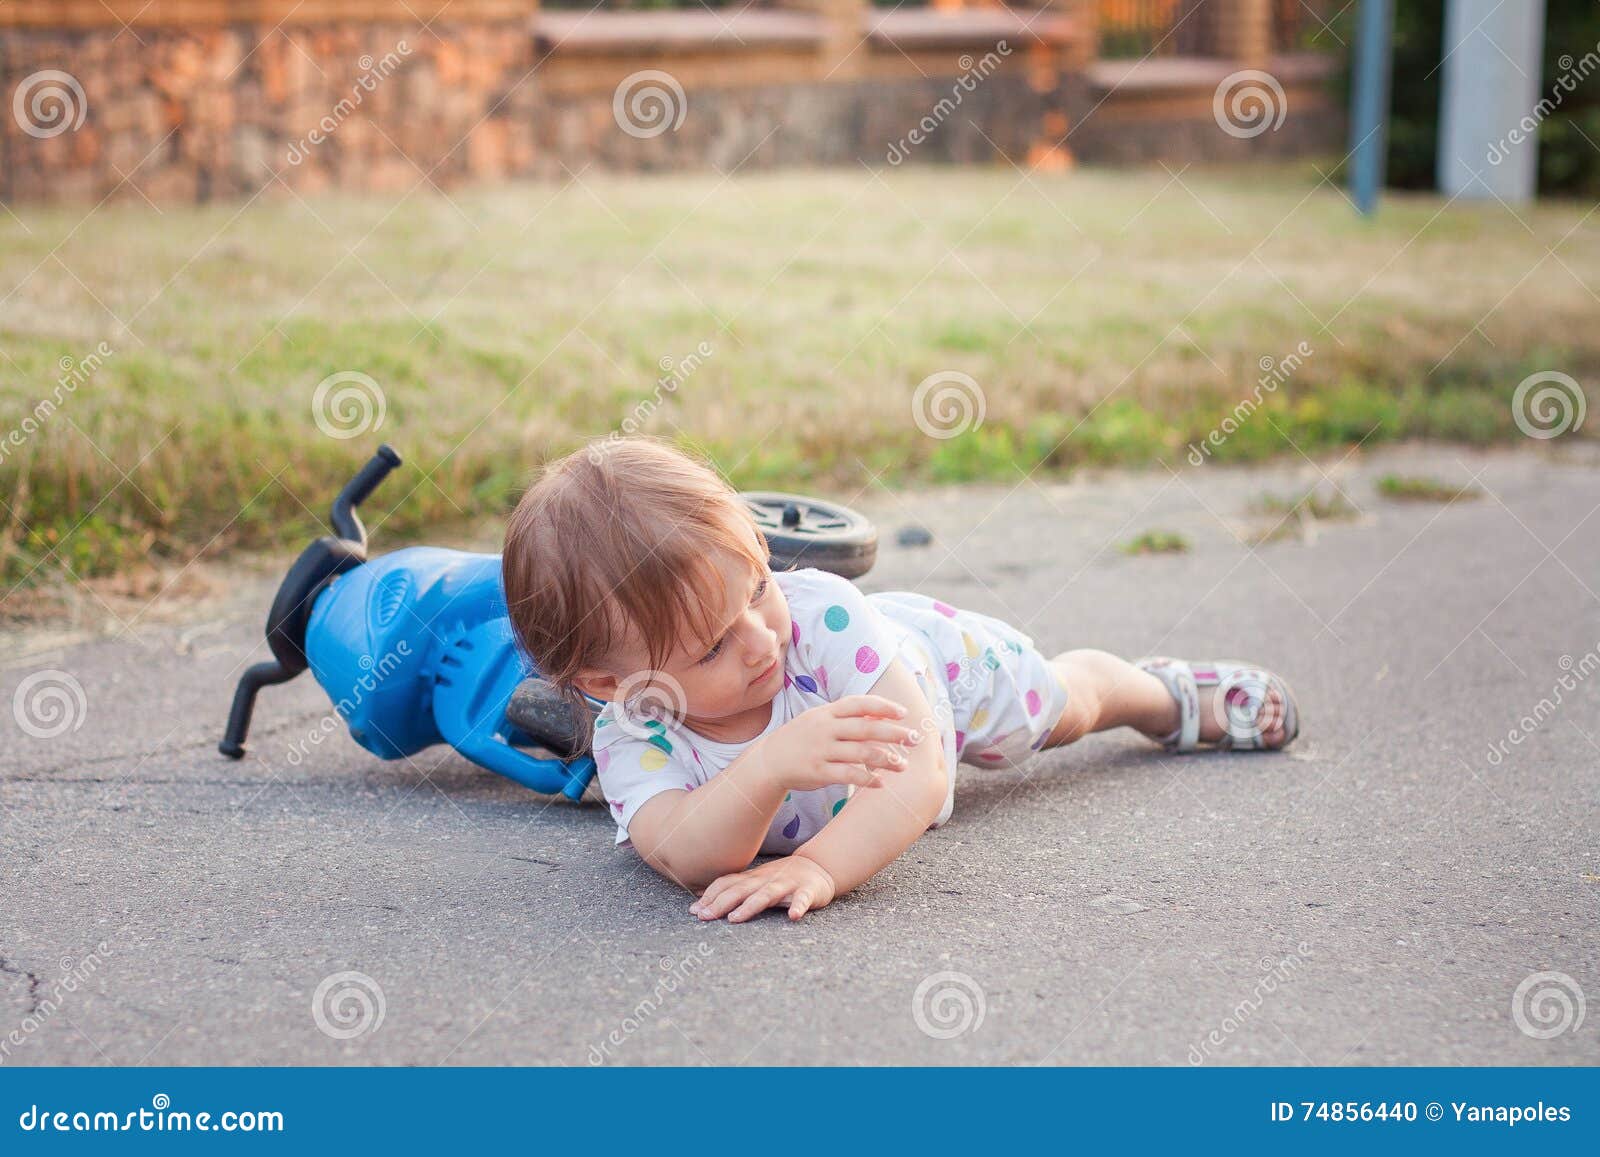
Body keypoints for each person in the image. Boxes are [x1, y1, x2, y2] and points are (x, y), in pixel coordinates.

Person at [501, 436, 1298, 923]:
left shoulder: (818, 622)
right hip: (859, 746)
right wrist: (770, 766)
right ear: (611, 683)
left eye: (757, 586)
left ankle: (1159, 697)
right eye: (711, 647)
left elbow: (920, 773)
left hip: (930, 673)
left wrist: (821, 865)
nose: (759, 641)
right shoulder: (633, 736)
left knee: (1060, 710)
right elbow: (684, 853)